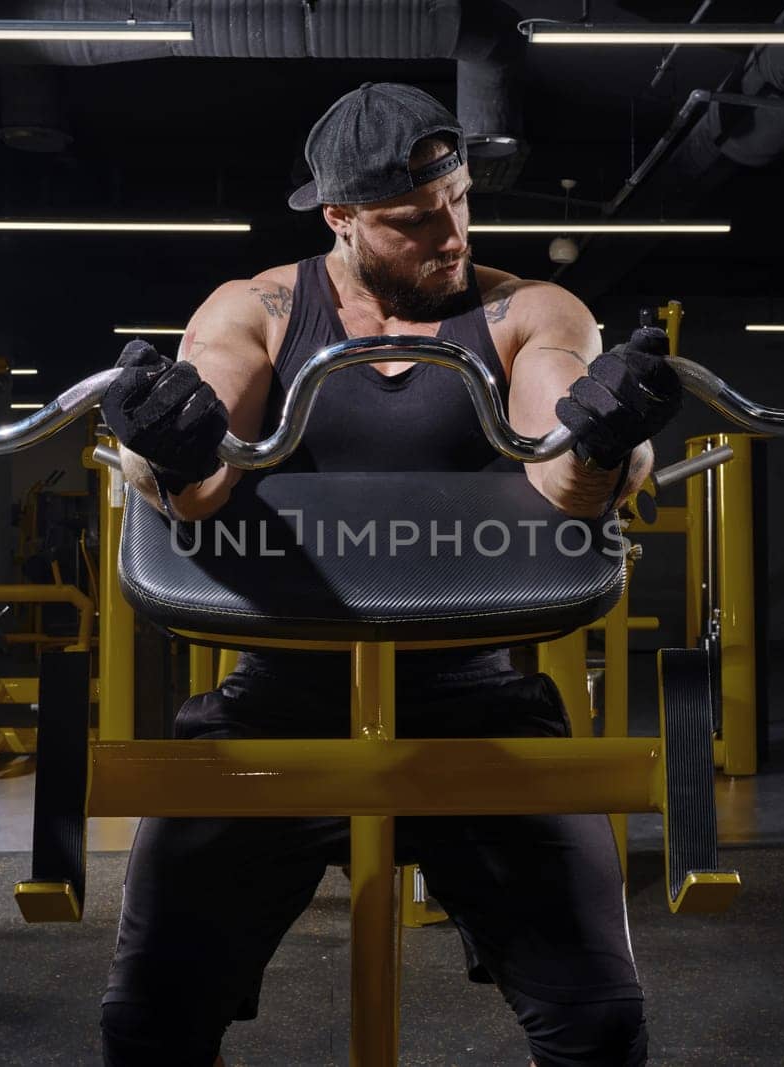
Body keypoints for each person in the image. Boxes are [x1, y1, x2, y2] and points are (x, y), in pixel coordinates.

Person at [99, 82, 681, 1066]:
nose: (449, 236)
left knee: (600, 1026)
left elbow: (566, 479)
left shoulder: (522, 310)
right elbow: (194, 494)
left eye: (458, 203)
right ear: (340, 217)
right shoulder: (260, 309)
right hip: (279, 704)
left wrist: (605, 431)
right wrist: (173, 446)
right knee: (146, 1025)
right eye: (415, 221)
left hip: (479, 701)